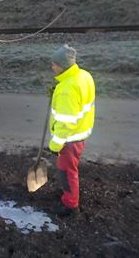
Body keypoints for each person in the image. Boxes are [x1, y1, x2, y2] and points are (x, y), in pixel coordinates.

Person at [49, 44, 95, 216]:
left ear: (62, 66)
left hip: (69, 140)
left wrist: (55, 145)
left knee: (66, 172)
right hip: (80, 133)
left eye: (54, 64)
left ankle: (70, 206)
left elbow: (65, 123)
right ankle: (70, 196)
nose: (52, 67)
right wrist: (56, 94)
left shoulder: (66, 89)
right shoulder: (83, 75)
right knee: (70, 170)